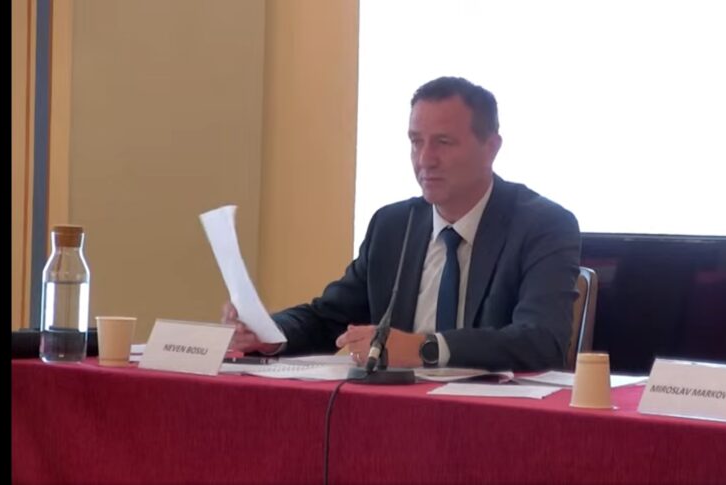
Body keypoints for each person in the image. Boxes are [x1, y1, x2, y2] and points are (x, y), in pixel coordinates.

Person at [223, 76, 580, 371]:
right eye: (415, 142)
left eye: (443, 142)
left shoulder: (542, 225)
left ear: (491, 148)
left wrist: (425, 348)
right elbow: (328, 318)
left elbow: (541, 340)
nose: (425, 159)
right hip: (395, 414)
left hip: (491, 419)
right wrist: (269, 332)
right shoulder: (393, 225)